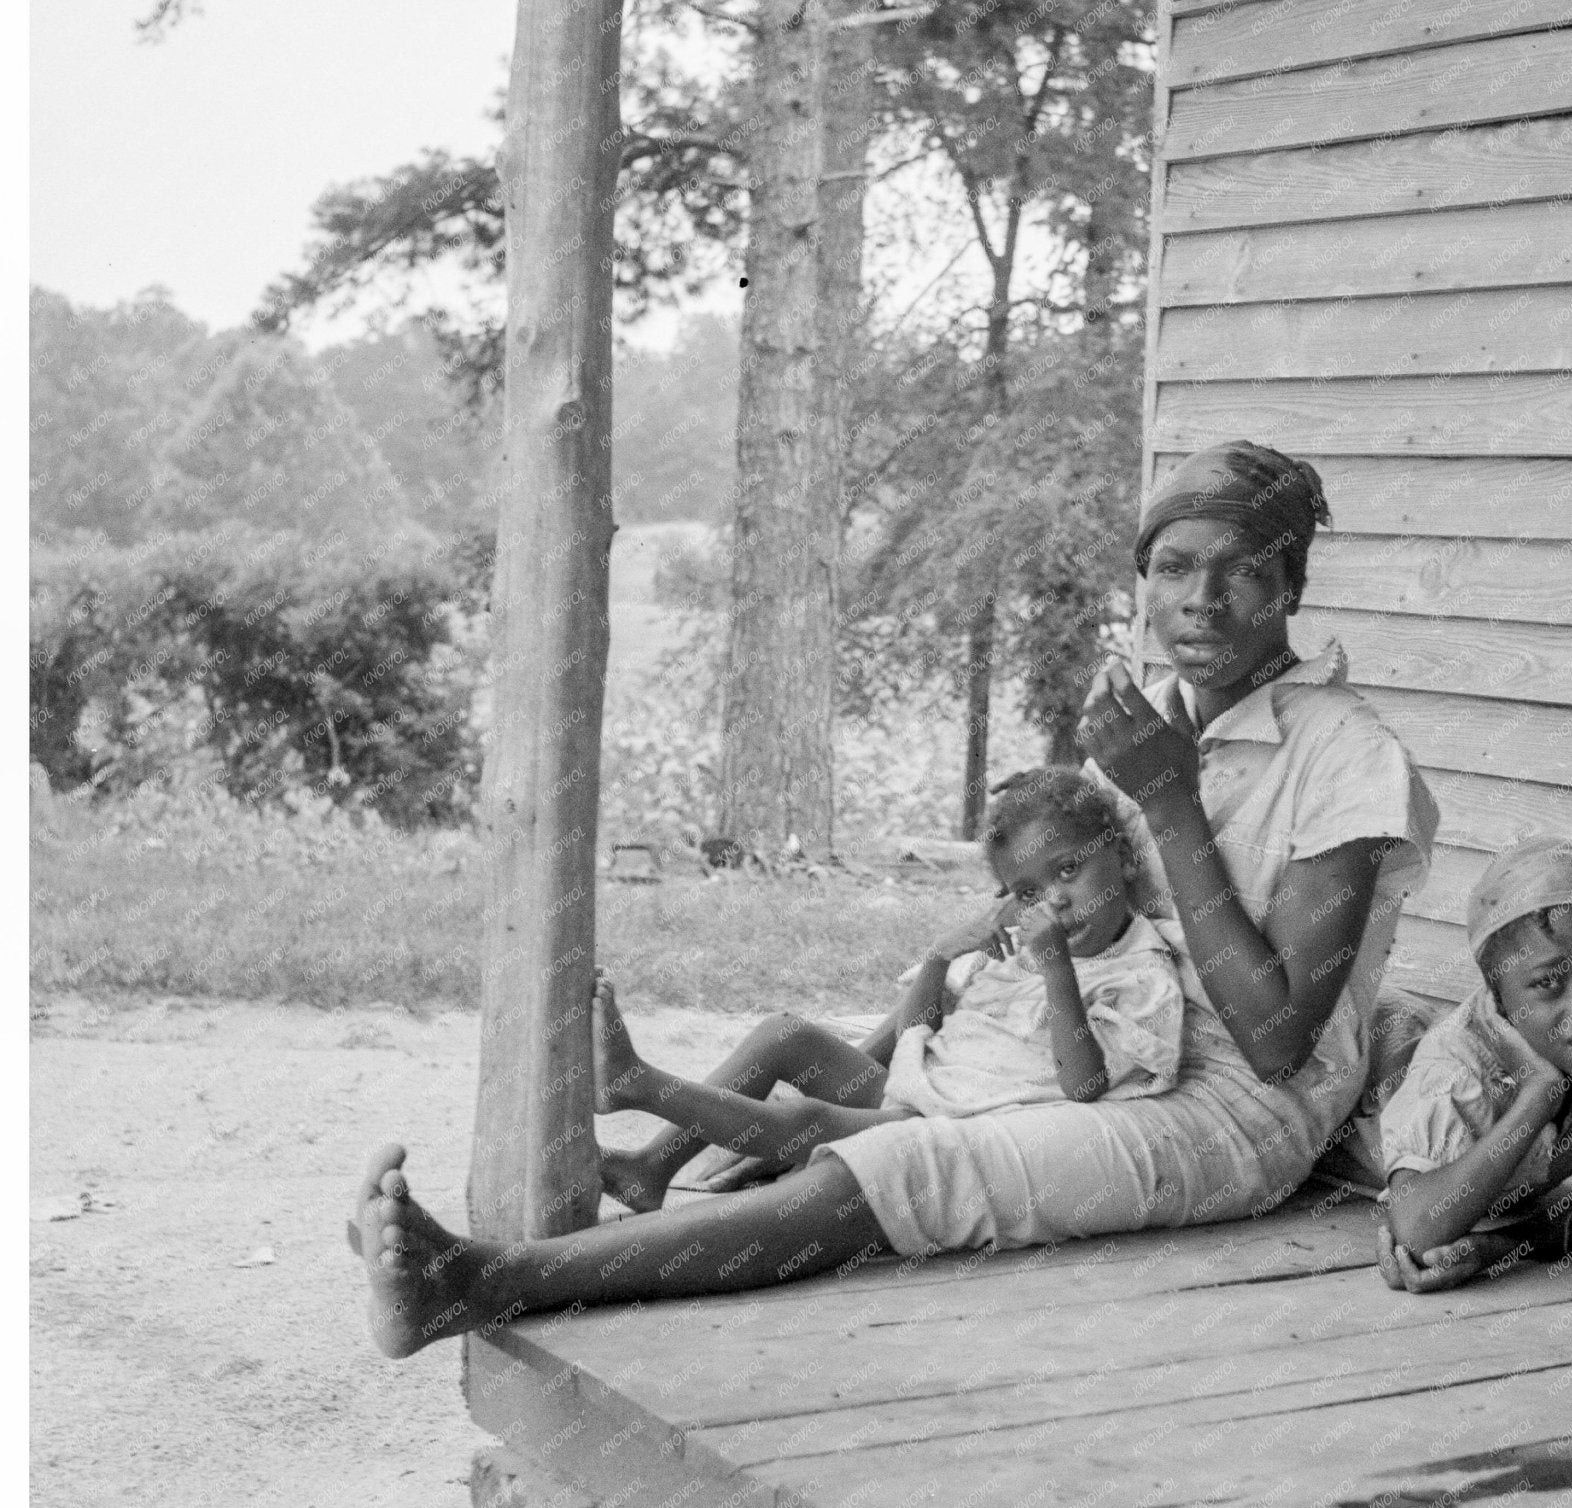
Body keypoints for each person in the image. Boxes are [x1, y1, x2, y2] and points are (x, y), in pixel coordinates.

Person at [353, 440, 1438, 1357]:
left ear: (1291, 586)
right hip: (1094, 1053)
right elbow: (1065, 914)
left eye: (1243, 570)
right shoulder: (1151, 716)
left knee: (902, 1163)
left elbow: (1276, 1045)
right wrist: (932, 998)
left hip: (1226, 1113)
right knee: (853, 1097)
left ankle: (479, 1280)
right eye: (1172, 567)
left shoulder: (1345, 756)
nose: (1200, 598)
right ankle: (620, 1201)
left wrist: (1168, 799)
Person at [586, 767, 1186, 1191]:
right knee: (783, 1035)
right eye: (1028, 892)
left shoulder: (1141, 973)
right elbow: (915, 1036)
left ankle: (638, 1083)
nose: (1054, 901)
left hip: (953, 1129)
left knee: (810, 1121)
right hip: (920, 1088)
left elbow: (1085, 1085)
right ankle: (651, 1168)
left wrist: (1057, 971)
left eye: (1070, 869)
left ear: (1123, 857)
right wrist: (940, 957)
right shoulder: (1021, 951)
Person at [1374, 837, 1572, 1295]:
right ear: (1499, 998)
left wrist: (1497, 1247)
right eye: (1547, 982)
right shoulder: (1456, 1069)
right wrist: (1539, 1094)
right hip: (1347, 1087)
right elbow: (1418, 1235)